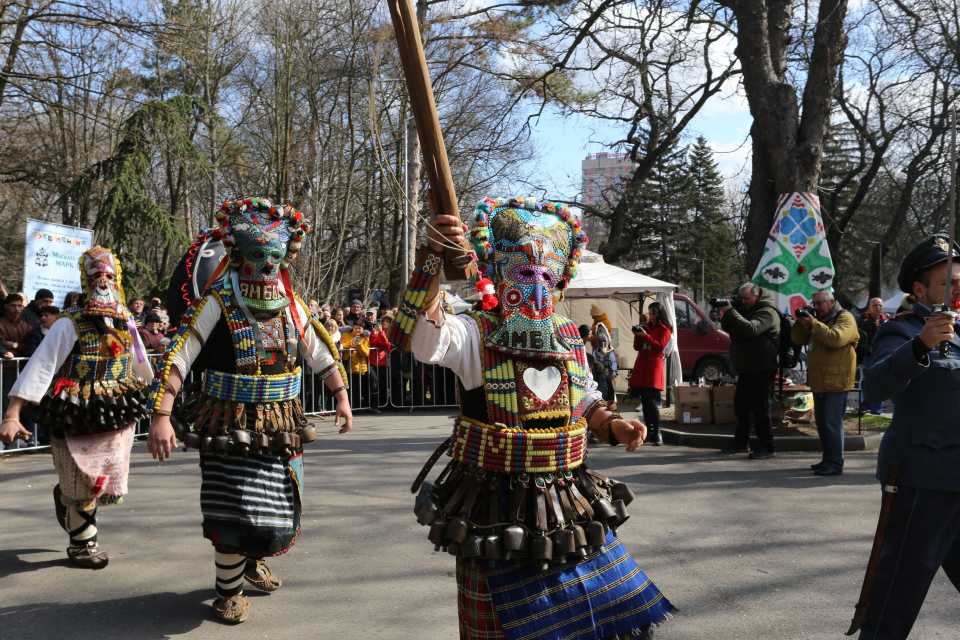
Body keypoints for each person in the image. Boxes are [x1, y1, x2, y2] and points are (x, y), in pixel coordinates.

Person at [391, 195, 673, 639]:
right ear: (498, 275)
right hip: (493, 504)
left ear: (559, 280)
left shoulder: (565, 336)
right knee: (505, 625)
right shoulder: (474, 333)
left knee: (602, 613)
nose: (537, 288)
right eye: (524, 274)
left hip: (569, 497)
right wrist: (432, 258)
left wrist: (609, 423)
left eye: (546, 276)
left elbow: (584, 398)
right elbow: (425, 342)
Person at [147, 197, 352, 624]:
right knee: (232, 505)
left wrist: (342, 396)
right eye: (257, 255)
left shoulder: (292, 304)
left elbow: (319, 352)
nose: (266, 266)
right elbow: (180, 355)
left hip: (281, 422)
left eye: (274, 257)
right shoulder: (217, 300)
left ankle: (253, 555)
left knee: (279, 504)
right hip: (226, 420)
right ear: (238, 254)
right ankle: (228, 589)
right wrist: (161, 416)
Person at [0, 247, 153, 566]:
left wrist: (159, 400)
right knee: (79, 480)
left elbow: (141, 362)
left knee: (102, 476)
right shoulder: (68, 324)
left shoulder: (126, 321)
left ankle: (69, 505)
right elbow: (40, 367)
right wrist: (13, 414)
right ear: (86, 281)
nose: (104, 282)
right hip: (75, 410)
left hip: (116, 408)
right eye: (97, 276)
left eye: (109, 276)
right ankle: (83, 543)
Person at [857, 234, 960, 639]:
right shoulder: (902, 332)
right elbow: (874, 389)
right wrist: (921, 345)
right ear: (919, 290)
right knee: (898, 593)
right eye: (948, 282)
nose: (958, 289)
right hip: (923, 480)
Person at [791, 289, 858, 476]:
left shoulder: (845, 318)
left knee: (832, 423)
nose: (816, 307)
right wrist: (800, 322)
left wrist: (813, 323)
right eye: (814, 303)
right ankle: (828, 459)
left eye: (820, 303)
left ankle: (835, 463)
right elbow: (797, 339)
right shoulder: (817, 320)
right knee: (822, 423)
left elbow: (836, 339)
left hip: (837, 381)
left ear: (831, 301)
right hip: (820, 380)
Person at [718, 283, 781, 458]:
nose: (743, 301)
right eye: (741, 298)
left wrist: (732, 311)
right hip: (747, 368)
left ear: (757, 296)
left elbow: (752, 329)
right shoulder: (744, 309)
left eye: (746, 298)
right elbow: (728, 328)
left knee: (761, 409)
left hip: (763, 367)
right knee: (741, 406)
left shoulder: (767, 312)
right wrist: (729, 311)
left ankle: (767, 446)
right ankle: (741, 442)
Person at [628, 302, 671, 446]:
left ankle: (658, 432)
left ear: (659, 314)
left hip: (653, 365)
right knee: (645, 401)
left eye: (653, 314)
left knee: (651, 401)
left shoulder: (665, 329)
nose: (651, 317)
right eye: (650, 314)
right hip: (642, 363)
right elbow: (636, 347)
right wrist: (637, 335)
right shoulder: (646, 327)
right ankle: (650, 432)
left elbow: (660, 347)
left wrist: (645, 336)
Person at [858, 297, 887, 415]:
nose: (878, 307)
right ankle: (868, 406)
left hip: (882, 355)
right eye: (875, 305)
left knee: (880, 381)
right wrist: (868, 347)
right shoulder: (862, 321)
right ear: (869, 307)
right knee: (872, 381)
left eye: (880, 305)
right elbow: (859, 338)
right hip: (868, 356)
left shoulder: (885, 320)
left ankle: (874, 409)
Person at [343, 319, 372, 409]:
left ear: (362, 329)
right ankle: (347, 407)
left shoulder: (365, 337)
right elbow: (342, 346)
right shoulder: (346, 334)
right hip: (346, 365)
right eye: (356, 328)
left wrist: (359, 346)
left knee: (356, 389)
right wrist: (350, 343)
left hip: (358, 367)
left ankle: (356, 407)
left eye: (359, 328)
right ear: (353, 327)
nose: (357, 330)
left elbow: (366, 353)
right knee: (346, 389)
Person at [369, 319, 389, 412]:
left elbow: (386, 344)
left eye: (386, 322)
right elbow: (371, 343)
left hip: (383, 362)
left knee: (382, 384)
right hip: (372, 362)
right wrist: (374, 333)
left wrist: (381, 333)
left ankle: (382, 404)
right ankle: (374, 405)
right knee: (374, 384)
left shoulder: (387, 333)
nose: (383, 323)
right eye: (382, 322)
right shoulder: (373, 332)